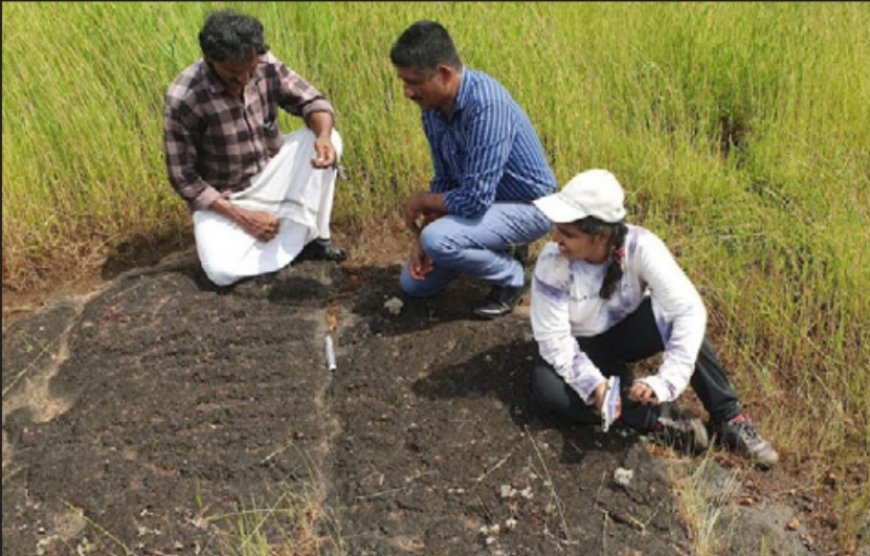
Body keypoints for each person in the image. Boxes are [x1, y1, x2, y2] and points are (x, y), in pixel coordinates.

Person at [529, 169, 779, 467]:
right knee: (547, 389)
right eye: (557, 229)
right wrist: (593, 384)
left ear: (602, 235)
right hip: (582, 346)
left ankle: (729, 417)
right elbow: (554, 340)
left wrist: (667, 381)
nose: (557, 239)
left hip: (625, 333)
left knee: (681, 322)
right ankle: (653, 417)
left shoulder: (641, 247)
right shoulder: (551, 262)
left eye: (569, 233)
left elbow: (687, 310)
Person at [164, 10, 347, 287]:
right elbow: (183, 178)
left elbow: (312, 102)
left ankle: (316, 240)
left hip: (274, 175)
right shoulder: (184, 96)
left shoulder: (265, 63)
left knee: (330, 139)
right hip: (227, 198)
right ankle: (282, 238)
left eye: (251, 69)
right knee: (220, 272)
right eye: (234, 73)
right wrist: (243, 218)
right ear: (210, 60)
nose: (246, 79)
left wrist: (322, 136)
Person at [389, 20, 557, 319]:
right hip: (486, 205)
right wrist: (424, 232)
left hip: (530, 207)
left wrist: (423, 205)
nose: (407, 92)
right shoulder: (433, 109)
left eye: (413, 82)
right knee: (414, 285)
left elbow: (474, 199)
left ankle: (513, 275)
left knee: (438, 240)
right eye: (403, 82)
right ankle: (497, 249)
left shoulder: (486, 106)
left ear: (444, 74)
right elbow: (444, 179)